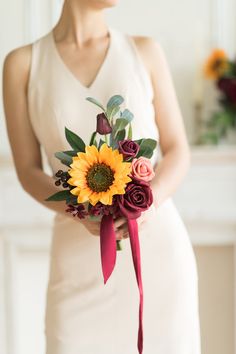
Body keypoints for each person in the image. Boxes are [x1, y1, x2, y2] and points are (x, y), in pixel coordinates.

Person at [2, 0, 201, 353]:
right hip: (76, 265)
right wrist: (77, 208)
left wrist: (148, 205)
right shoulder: (22, 64)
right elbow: (28, 171)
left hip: (157, 257)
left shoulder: (145, 51)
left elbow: (177, 150)